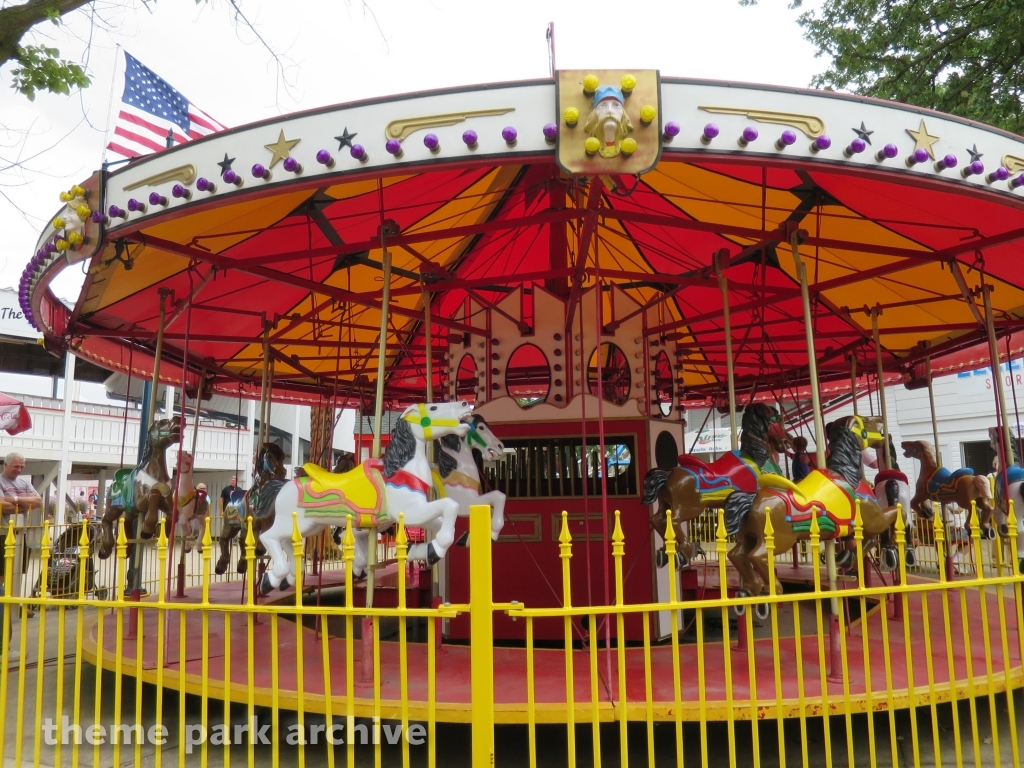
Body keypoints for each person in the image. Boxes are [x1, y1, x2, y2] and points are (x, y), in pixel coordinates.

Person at [0, 452, 42, 658]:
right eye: (16, 466)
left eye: (22, 466)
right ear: (6, 464)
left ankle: (12, 615)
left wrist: (14, 500)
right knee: (3, 588)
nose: (19, 470)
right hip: (2, 536)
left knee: (13, 584)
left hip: (19, 535)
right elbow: (1, 505)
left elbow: (38, 501)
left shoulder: (24, 483)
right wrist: (23, 502)